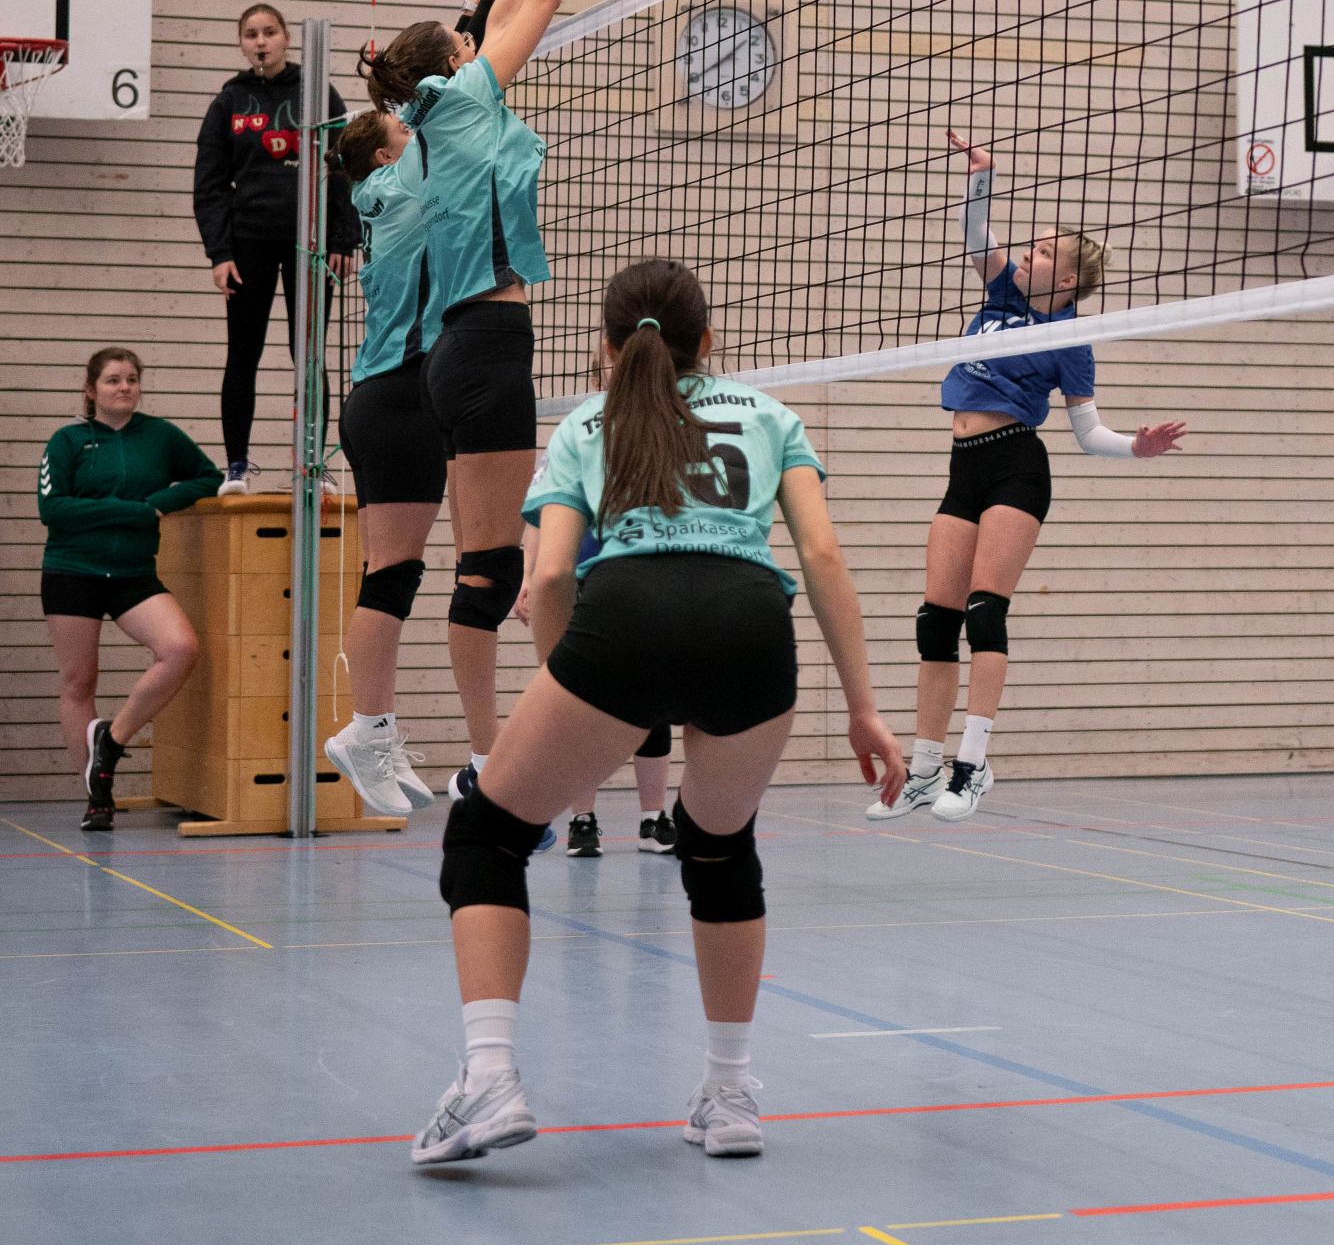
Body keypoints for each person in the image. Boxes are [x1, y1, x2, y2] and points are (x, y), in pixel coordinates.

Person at [412, 257, 905, 1169]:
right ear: (707, 341)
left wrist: (566, 690)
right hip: (750, 625)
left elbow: (547, 577)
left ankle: (489, 1078)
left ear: (606, 348)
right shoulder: (772, 416)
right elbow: (823, 557)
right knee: (720, 851)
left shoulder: (585, 424)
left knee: (485, 834)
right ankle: (730, 1095)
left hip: (627, 620)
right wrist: (865, 708)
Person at [870, 131, 1187, 828]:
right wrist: (980, 175)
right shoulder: (1001, 292)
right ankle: (924, 770)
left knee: (985, 613)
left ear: (1066, 281)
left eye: (1043, 252)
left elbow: (1089, 434)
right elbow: (974, 231)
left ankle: (972, 765)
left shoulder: (1068, 340)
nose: (1027, 253)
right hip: (964, 467)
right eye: (1032, 245)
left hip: (1017, 466)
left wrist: (1136, 446)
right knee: (935, 622)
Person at [320, 0, 558, 821]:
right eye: (399, 120)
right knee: (422, 573)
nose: (409, 117)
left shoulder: (388, 181)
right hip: (408, 386)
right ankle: (410, 737)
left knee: (394, 577)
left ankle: (370, 728)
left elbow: (451, 72)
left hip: (390, 390)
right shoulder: (421, 165)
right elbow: (462, 81)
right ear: (392, 146)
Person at [360, 0, 585, 806]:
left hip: (464, 349)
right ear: (453, 64)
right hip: (485, 348)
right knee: (490, 571)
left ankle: (483, 756)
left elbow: (500, 17)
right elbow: (546, 1)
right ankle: (491, 762)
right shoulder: (460, 103)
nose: (478, 40)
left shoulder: (441, 110)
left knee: (485, 567)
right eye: (465, 42)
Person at [38, 348, 221, 832]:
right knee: (79, 682)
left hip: (133, 573)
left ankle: (112, 742)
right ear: (91, 389)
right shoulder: (67, 441)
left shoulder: (160, 436)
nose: (124, 388)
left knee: (180, 649)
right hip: (72, 571)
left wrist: (160, 502)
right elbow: (54, 510)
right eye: (113, 380)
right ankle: (97, 796)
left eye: (132, 380)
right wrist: (135, 511)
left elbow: (209, 477)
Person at [193, 2, 359, 494]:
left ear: (286, 37)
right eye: (251, 34)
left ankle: (313, 463)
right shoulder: (229, 101)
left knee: (308, 356)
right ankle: (237, 466)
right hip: (248, 245)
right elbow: (209, 185)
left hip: (309, 244)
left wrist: (344, 238)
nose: (261, 41)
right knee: (242, 354)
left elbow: (346, 168)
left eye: (269, 32)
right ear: (242, 44)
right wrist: (220, 253)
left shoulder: (318, 93)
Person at [516, 517, 677, 856]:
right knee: (578, 702)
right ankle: (582, 821)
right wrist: (528, 575)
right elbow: (541, 517)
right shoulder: (569, 479)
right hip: (578, 580)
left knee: (652, 695)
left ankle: (653, 819)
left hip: (643, 577)